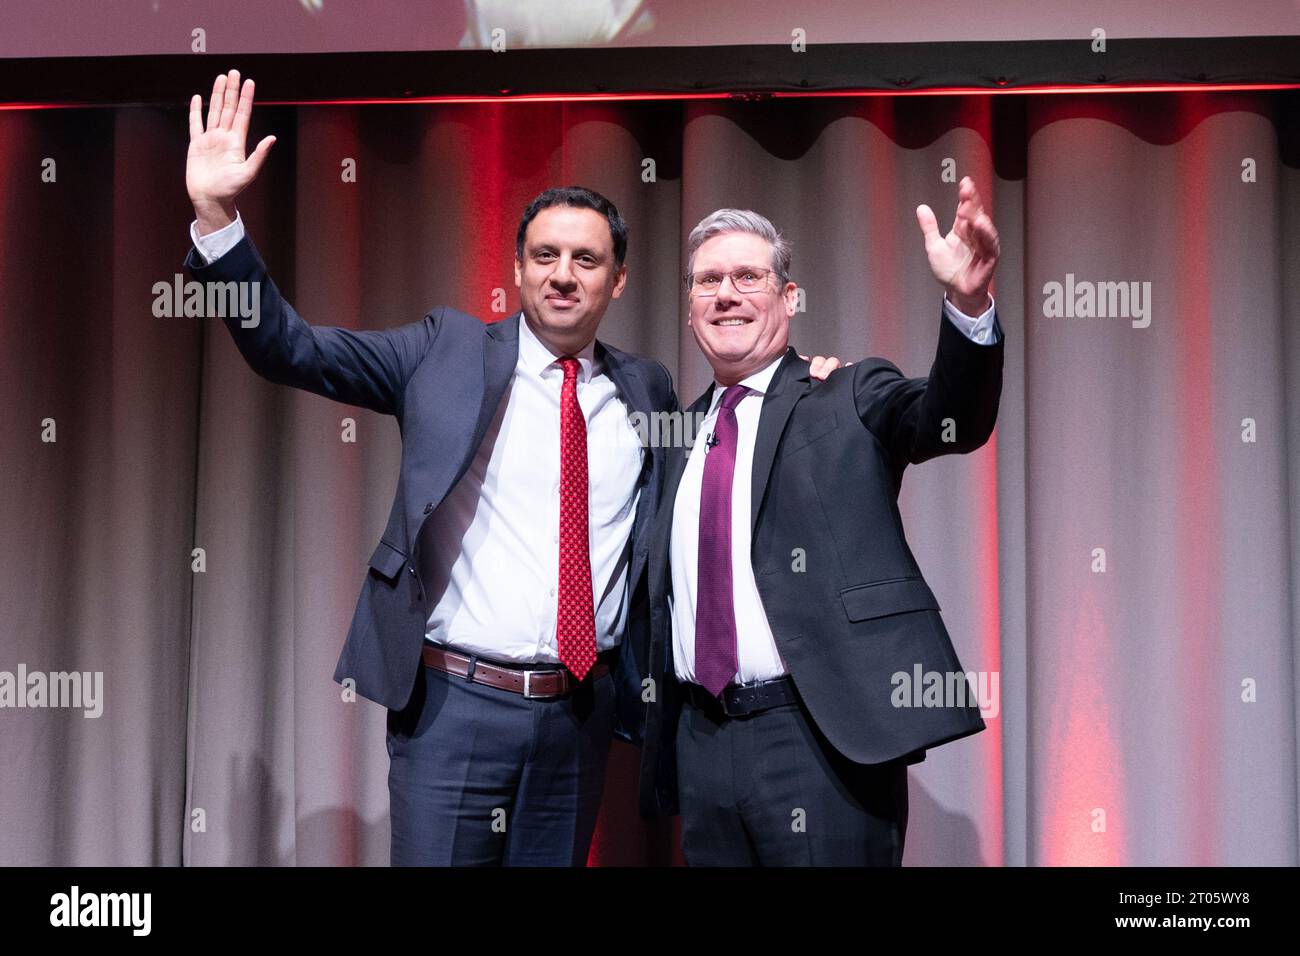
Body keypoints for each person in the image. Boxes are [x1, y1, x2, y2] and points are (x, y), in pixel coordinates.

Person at [637, 182, 1005, 865]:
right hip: (702, 745)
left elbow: (952, 420)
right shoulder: (674, 436)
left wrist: (968, 303)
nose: (727, 293)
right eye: (708, 281)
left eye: (749, 276)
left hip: (819, 740)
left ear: (789, 297)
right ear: (689, 309)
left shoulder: (848, 393)